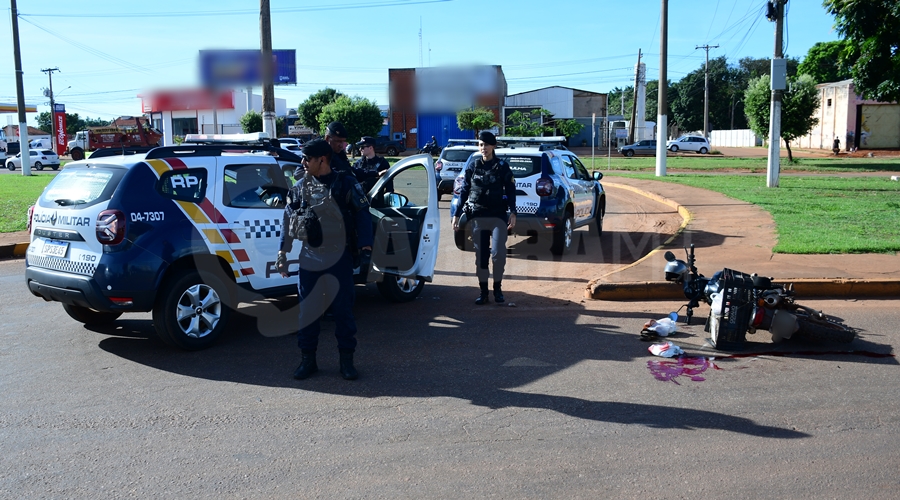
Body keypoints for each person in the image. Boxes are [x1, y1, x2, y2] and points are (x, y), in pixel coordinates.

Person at [277, 139, 374, 381]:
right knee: (307, 312)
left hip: (338, 257)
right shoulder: (299, 187)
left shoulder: (345, 184)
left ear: (321, 160)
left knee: (343, 311)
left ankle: (347, 361)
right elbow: (288, 220)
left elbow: (363, 215)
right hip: (309, 257)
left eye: (307, 159)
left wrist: (365, 248)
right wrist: (282, 253)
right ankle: (307, 360)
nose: (302, 162)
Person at [451, 131, 516, 305]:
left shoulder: (502, 167)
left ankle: (498, 289)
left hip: (497, 217)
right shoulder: (473, 166)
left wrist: (513, 212)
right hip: (478, 216)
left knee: (498, 254)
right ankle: (483, 292)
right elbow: (464, 191)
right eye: (481, 145)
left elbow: (511, 191)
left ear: (493, 146)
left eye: (486, 145)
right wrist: (456, 214)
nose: (483, 148)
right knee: (481, 257)